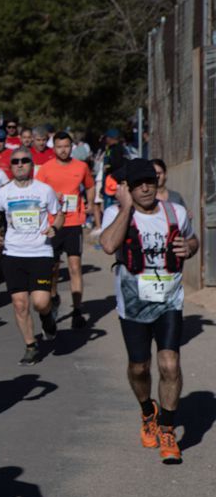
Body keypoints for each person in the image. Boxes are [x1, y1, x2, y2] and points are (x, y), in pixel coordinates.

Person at [99, 160, 197, 464]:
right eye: (138, 183)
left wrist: (189, 247)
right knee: (139, 368)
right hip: (133, 305)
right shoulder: (116, 215)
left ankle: (168, 429)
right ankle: (147, 412)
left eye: (150, 182)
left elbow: (192, 240)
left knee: (170, 364)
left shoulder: (175, 212)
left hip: (169, 301)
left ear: (157, 184)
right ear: (128, 188)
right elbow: (108, 245)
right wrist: (126, 209)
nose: (145, 188)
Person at [0, 148, 65, 365]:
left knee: (40, 302)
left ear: (32, 165)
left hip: (40, 252)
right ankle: (31, 345)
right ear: (11, 166)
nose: (20, 164)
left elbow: (59, 214)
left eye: (24, 161)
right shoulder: (4, 193)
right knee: (20, 303)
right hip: (13, 253)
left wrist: (55, 229)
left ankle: (47, 316)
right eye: (15, 162)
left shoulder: (44, 191)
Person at [35, 132, 94, 328]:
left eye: (67, 146)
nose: (63, 150)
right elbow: (36, 192)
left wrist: (90, 203)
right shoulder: (46, 169)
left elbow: (90, 186)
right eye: (59, 146)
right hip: (53, 224)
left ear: (71, 147)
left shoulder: (81, 166)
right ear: (54, 148)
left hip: (74, 222)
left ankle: (77, 311)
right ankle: (53, 295)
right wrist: (51, 195)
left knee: (75, 267)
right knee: (52, 268)